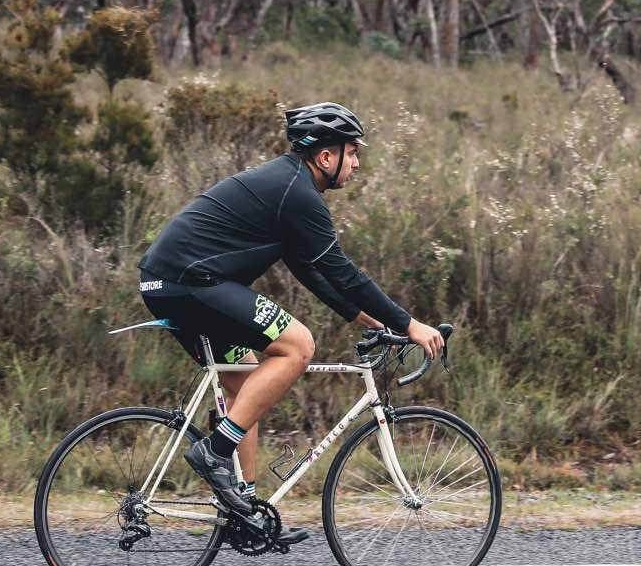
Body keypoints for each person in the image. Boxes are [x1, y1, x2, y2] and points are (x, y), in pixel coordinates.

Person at [137, 101, 446, 541]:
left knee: (244, 374)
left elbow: (313, 273)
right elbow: (344, 272)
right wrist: (411, 323)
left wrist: (372, 323)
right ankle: (214, 451)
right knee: (297, 345)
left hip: (167, 282)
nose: (357, 163)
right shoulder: (297, 193)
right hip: (190, 282)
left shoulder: (288, 186)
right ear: (325, 156)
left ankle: (241, 508)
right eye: (352, 153)